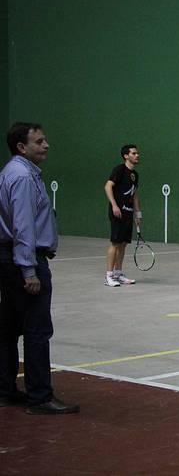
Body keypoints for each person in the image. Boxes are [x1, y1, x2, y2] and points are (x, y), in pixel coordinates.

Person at [0, 122, 79, 414]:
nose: (46, 145)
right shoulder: (22, 177)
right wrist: (29, 270)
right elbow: (23, 226)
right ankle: (40, 396)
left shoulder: (13, 172)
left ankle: (5, 390)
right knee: (36, 329)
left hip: (12, 259)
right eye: (39, 141)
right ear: (22, 147)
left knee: (9, 327)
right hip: (24, 260)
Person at [103, 144, 141, 287]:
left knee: (123, 244)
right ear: (126, 156)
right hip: (117, 212)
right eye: (133, 153)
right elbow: (108, 186)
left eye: (137, 153)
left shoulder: (135, 174)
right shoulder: (119, 170)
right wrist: (114, 205)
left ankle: (118, 274)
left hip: (128, 213)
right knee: (115, 242)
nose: (137, 155)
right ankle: (108, 276)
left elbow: (134, 194)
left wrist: (138, 213)